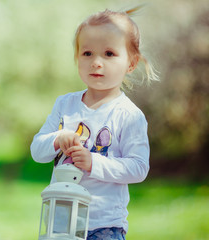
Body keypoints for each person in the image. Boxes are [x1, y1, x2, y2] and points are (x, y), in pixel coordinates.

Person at [30, 8, 158, 240]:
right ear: (77, 57)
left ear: (131, 63)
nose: (96, 63)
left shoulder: (128, 115)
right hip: (60, 220)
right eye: (87, 53)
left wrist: (93, 162)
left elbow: (139, 167)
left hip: (104, 224)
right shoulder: (65, 104)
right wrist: (57, 139)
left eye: (109, 54)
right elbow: (37, 151)